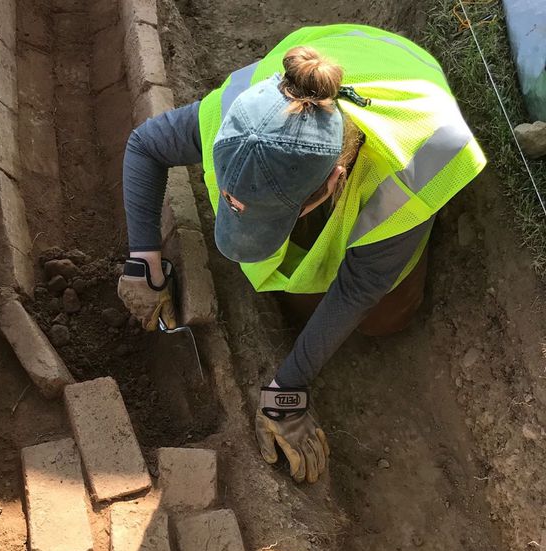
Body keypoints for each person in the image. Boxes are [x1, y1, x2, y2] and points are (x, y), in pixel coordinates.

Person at [116, 24, 486, 483]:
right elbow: (145, 145)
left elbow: (360, 286)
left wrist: (287, 392)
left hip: (410, 91)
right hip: (340, 53)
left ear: (333, 181)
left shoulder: (406, 174)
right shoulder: (242, 113)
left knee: (385, 319)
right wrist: (144, 262)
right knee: (297, 283)